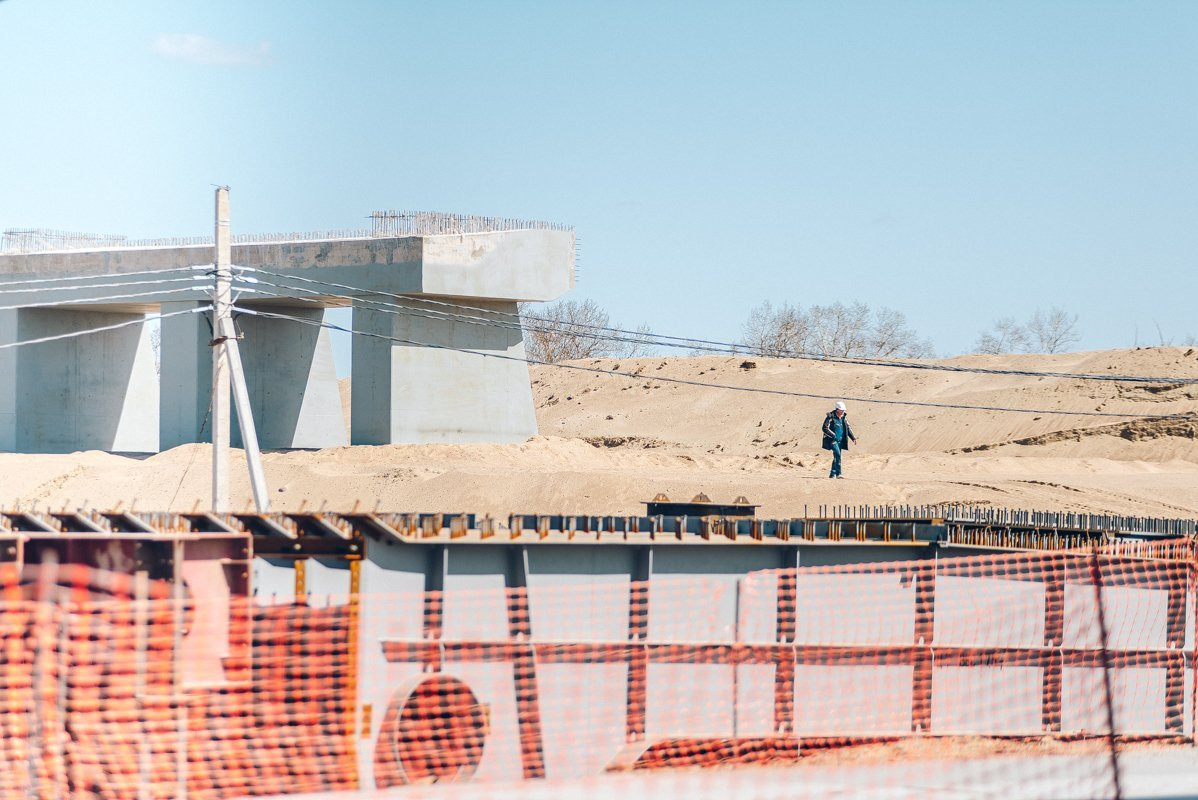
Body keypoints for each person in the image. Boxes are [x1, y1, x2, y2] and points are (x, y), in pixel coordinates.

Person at [821, 401, 858, 478]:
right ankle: (839, 474)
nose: (842, 412)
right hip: (833, 440)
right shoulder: (830, 417)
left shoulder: (844, 418)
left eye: (843, 410)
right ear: (837, 409)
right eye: (841, 410)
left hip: (841, 441)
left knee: (836, 456)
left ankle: (832, 474)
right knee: (837, 454)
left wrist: (853, 438)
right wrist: (833, 435)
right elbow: (825, 428)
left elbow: (848, 428)